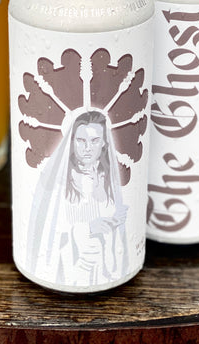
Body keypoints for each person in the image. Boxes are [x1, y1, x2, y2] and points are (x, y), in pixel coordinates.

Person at [26, 110, 128, 288]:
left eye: (94, 140)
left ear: (104, 143)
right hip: (74, 267)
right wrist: (89, 228)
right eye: (81, 140)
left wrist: (116, 219)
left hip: (105, 267)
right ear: (72, 142)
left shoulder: (106, 177)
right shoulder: (61, 179)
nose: (87, 147)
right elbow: (51, 229)